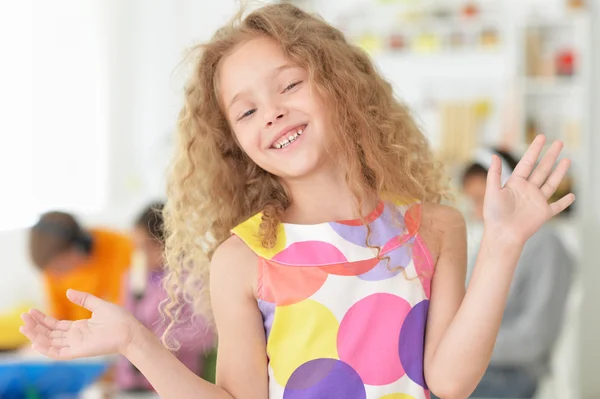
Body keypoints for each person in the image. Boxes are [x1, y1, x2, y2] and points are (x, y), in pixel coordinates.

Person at [19, 4, 575, 399]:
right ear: (234, 143)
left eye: (289, 85)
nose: (273, 113)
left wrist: (503, 242)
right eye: (246, 111)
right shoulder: (242, 259)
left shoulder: (435, 228)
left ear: (339, 84)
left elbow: (450, 381)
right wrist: (135, 341)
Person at [459, 148, 574, 398]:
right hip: (478, 363)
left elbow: (535, 338)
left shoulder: (547, 247)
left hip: (512, 373)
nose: (476, 212)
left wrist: (465, 345)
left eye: (480, 200)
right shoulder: (489, 242)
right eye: (472, 201)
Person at [115, 202, 216, 391]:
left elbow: (205, 334)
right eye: (135, 247)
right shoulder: (132, 278)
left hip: (176, 382)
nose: (139, 254)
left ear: (167, 242)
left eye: (145, 246)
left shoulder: (193, 278)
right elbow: (124, 320)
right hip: (131, 383)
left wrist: (158, 341)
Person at [28, 211, 133, 321]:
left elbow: (128, 309)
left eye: (60, 267)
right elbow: (58, 316)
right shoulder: (52, 271)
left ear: (80, 245)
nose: (56, 275)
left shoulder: (124, 249)